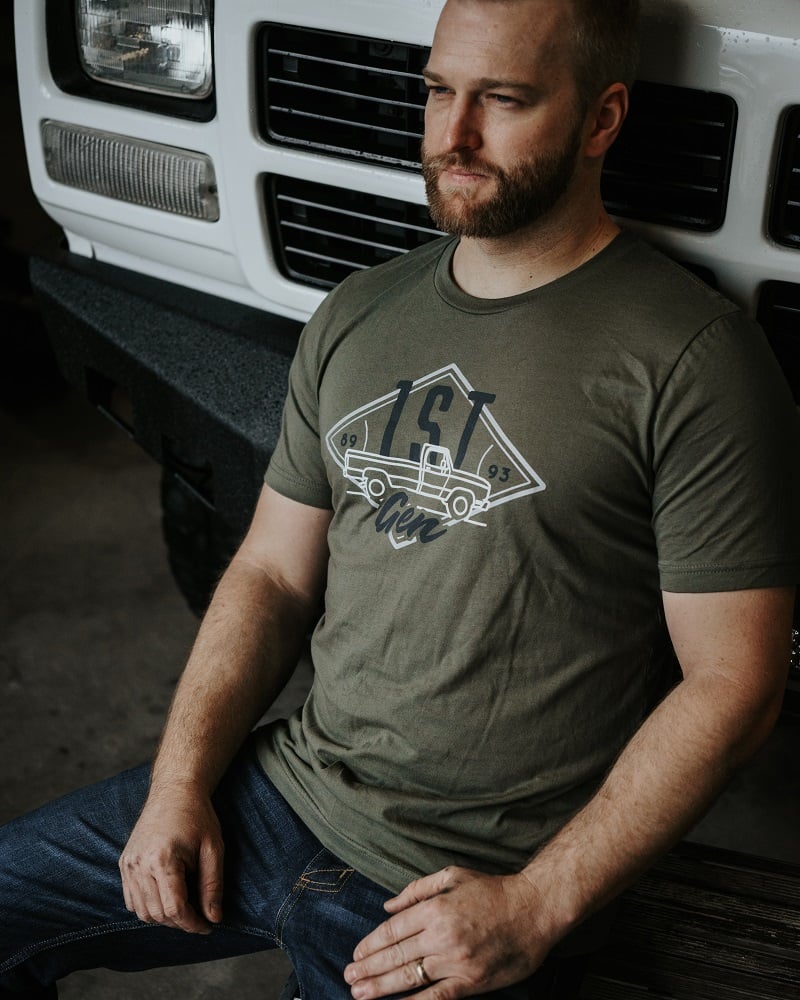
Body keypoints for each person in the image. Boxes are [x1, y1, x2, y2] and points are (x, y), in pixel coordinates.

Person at [2, 0, 799, 997]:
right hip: (285, 793)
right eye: (436, 92)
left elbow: (733, 682)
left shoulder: (691, 357)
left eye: (502, 100)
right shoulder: (358, 311)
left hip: (459, 884)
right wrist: (178, 786)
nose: (452, 136)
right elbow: (270, 573)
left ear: (601, 120)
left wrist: (537, 904)